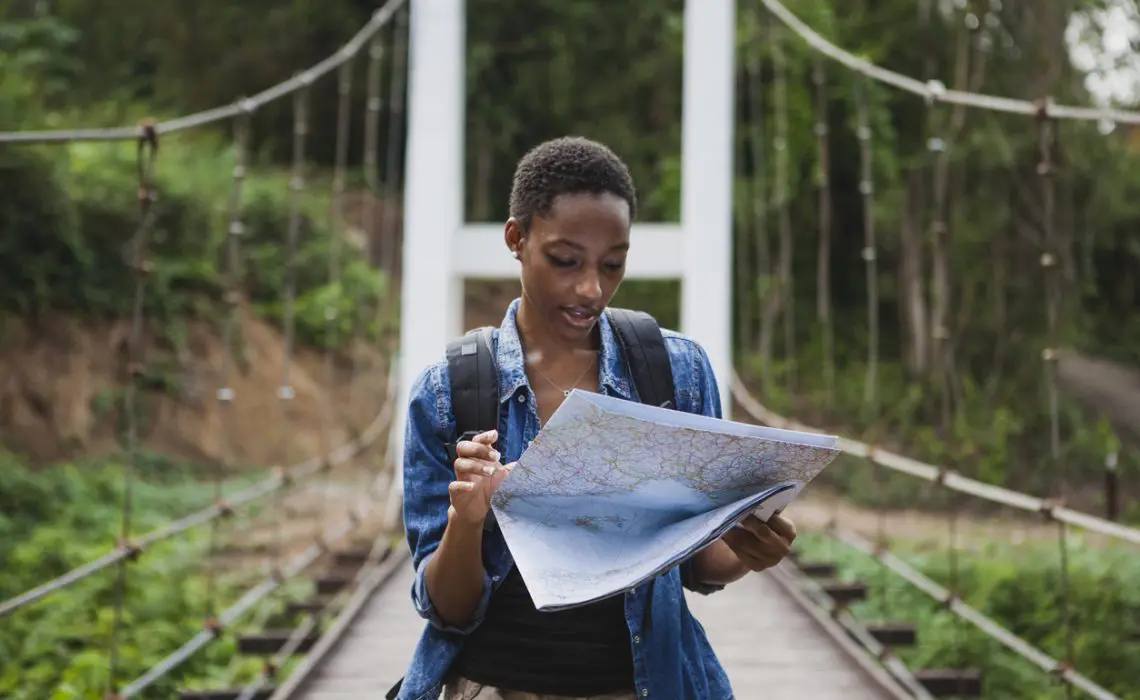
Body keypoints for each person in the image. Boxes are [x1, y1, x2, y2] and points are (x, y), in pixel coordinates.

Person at [395, 136, 797, 700]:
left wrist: (749, 552)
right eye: (565, 261)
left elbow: (700, 563)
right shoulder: (446, 393)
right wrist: (467, 518)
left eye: (614, 265)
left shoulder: (676, 372)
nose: (591, 290)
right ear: (517, 238)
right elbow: (447, 609)